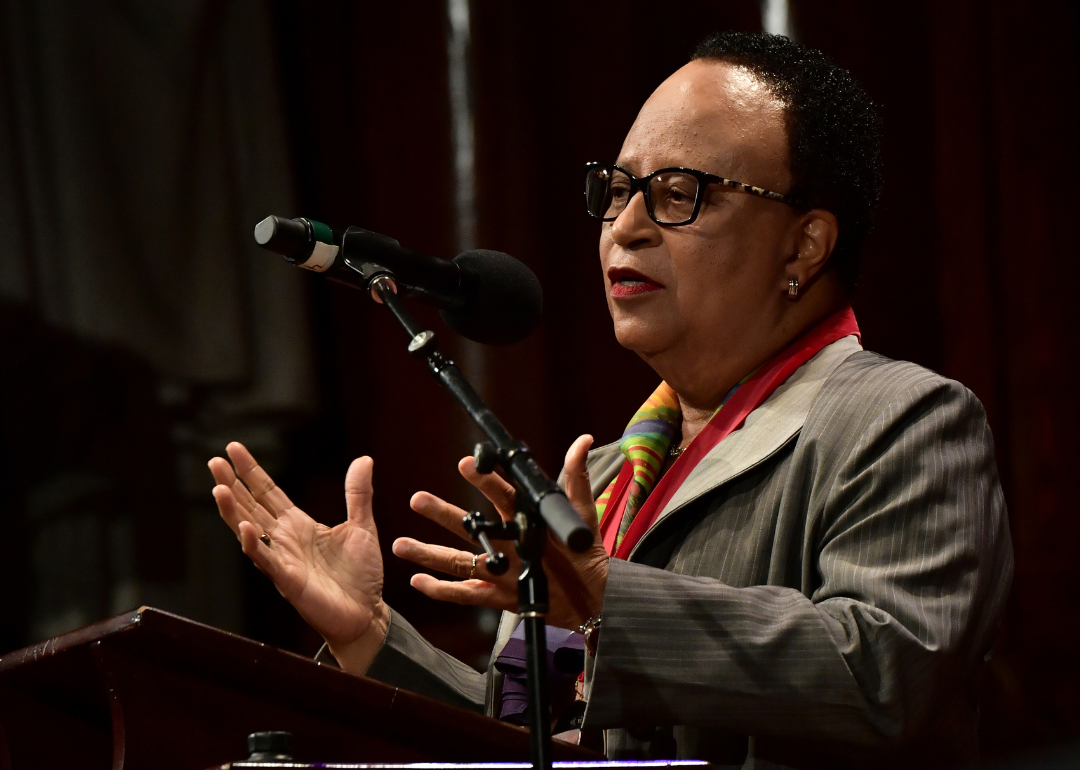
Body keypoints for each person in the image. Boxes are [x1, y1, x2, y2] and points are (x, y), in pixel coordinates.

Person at [209, 32, 1012, 769]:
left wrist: (602, 599)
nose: (624, 227)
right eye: (619, 189)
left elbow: (888, 671)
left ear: (803, 243)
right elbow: (529, 743)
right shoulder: (599, 482)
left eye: (679, 193)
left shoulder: (901, 420)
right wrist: (372, 637)